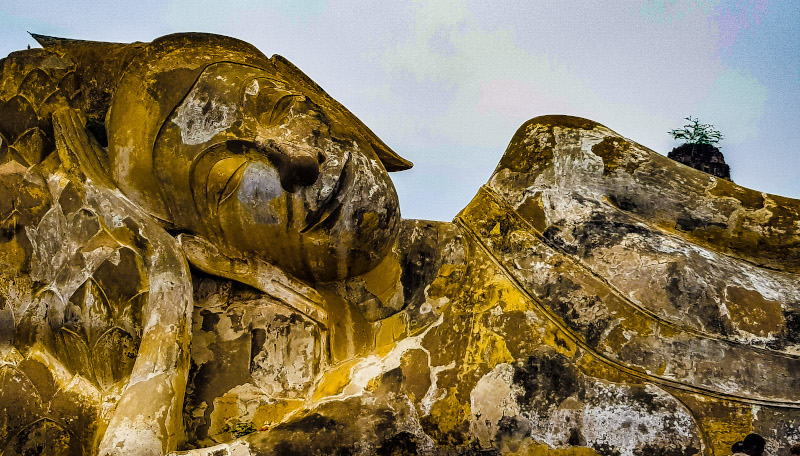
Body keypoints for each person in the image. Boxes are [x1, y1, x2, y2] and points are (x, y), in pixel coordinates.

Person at [1, 32, 799, 456]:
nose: (296, 155)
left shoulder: (559, 176)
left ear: (334, 106)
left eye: (282, 106)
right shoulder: (347, 411)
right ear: (213, 241)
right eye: (224, 172)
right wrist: (164, 278)